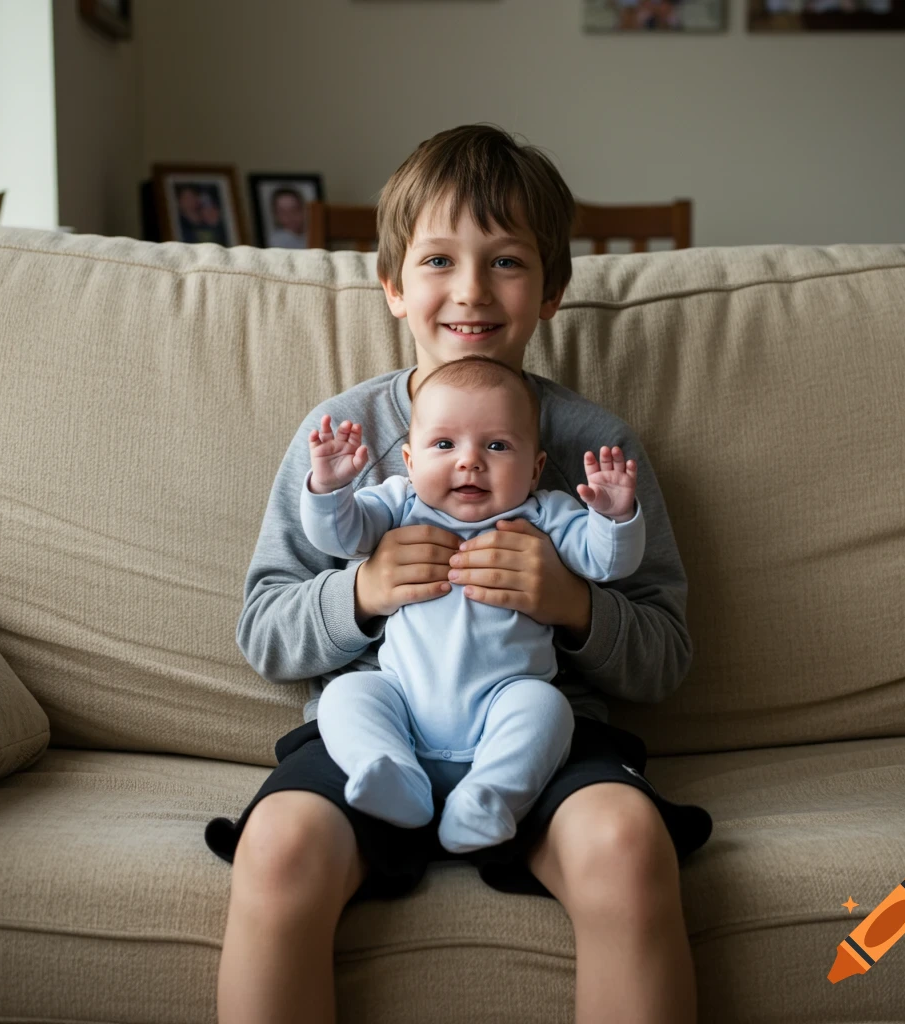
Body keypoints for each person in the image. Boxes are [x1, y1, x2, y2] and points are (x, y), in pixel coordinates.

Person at [205, 122, 713, 1024]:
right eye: (439, 260)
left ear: (553, 288)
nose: (471, 290)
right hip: (375, 724)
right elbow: (264, 628)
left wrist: (572, 604)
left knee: (630, 846)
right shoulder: (341, 438)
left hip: (541, 731)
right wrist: (358, 592)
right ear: (394, 285)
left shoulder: (596, 450)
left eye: (508, 262)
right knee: (276, 849)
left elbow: (665, 658)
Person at [301, 354, 646, 855]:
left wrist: (614, 517)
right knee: (346, 696)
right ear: (411, 462)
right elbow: (343, 534)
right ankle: (390, 772)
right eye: (444, 444)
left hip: (504, 704)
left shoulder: (546, 513)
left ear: (535, 469)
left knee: (548, 708)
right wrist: (332, 491)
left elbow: (604, 562)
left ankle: (489, 796)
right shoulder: (398, 503)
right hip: (403, 704)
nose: (469, 461)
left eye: (497, 445)